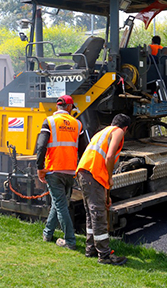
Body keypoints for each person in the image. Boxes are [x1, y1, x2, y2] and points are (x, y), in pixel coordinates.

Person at [76, 113, 131, 265]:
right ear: (125, 128)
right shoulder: (118, 131)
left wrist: (107, 192)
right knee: (98, 214)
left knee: (91, 214)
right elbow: (109, 157)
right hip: (93, 175)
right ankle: (104, 255)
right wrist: (110, 177)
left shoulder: (102, 132)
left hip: (85, 173)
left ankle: (91, 248)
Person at [35, 95, 85, 250]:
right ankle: (47, 233)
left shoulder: (49, 121)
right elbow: (84, 150)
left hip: (54, 170)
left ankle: (70, 241)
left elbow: (41, 146)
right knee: (60, 204)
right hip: (71, 171)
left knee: (60, 205)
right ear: (69, 107)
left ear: (57, 106)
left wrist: (39, 167)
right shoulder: (77, 124)